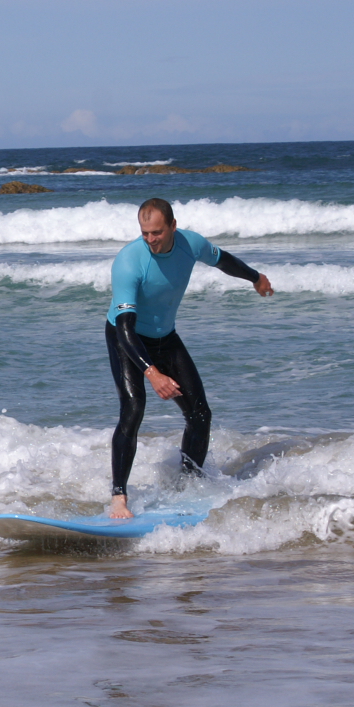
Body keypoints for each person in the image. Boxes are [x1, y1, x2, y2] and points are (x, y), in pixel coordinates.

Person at [105, 197, 273, 519]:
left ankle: (190, 484)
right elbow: (126, 327)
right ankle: (119, 497)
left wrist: (254, 277)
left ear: (172, 226)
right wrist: (152, 373)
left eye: (156, 232)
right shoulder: (129, 262)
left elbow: (223, 260)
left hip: (165, 337)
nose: (151, 240)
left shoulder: (189, 243)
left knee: (200, 415)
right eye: (144, 233)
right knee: (133, 408)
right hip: (126, 338)